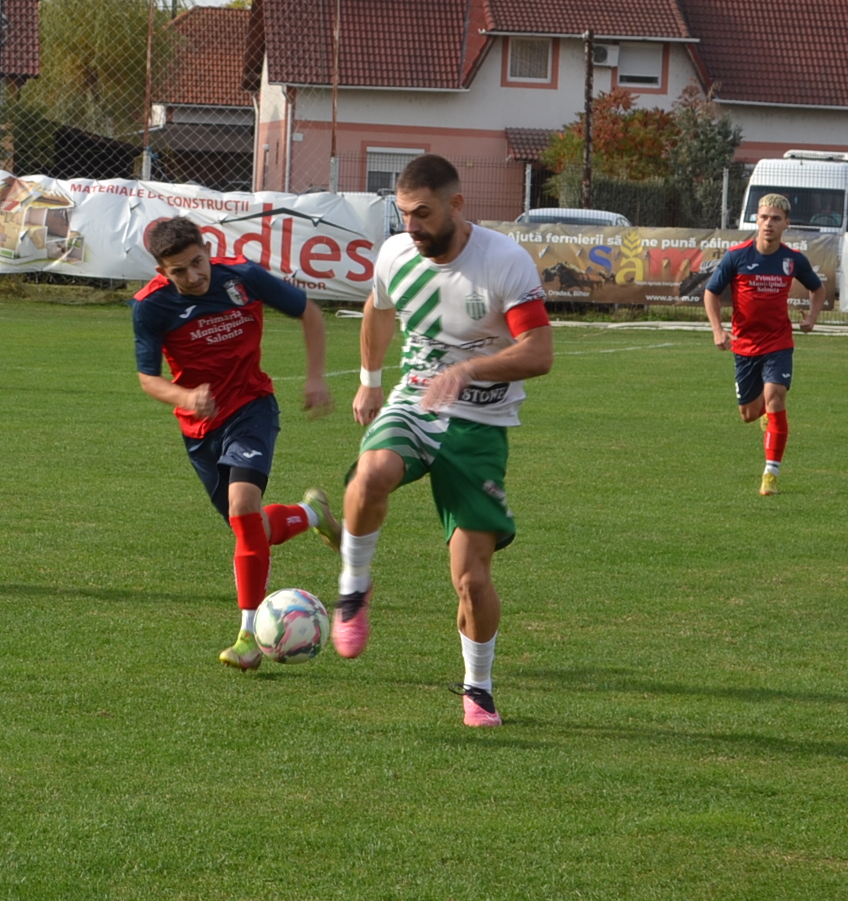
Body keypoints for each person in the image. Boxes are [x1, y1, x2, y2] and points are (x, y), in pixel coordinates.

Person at [332, 154, 553, 727]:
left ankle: (477, 686)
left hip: (480, 423)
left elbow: (539, 353)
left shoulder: (503, 260)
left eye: (423, 214)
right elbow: (378, 311)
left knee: (472, 581)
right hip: (415, 400)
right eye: (403, 214)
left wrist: (471, 371)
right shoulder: (395, 254)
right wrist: (370, 382)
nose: (412, 227)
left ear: (457, 205)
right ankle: (354, 589)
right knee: (370, 475)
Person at [132, 217, 341, 669]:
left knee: (244, 510)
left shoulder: (243, 278)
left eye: (196, 263)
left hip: (252, 408)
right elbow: (148, 379)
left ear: (207, 249)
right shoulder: (150, 307)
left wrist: (316, 376)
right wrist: (184, 396)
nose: (193, 276)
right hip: (199, 427)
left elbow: (309, 311)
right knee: (250, 530)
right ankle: (310, 513)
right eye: (179, 271)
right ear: (161, 272)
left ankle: (248, 638)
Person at [703, 193, 826, 496]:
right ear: (756, 220)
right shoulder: (737, 256)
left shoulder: (792, 259)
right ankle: (766, 420)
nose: (768, 223)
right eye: (763, 217)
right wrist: (718, 330)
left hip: (778, 341)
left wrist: (811, 318)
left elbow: (817, 289)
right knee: (749, 413)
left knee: (775, 398)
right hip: (744, 344)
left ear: (787, 223)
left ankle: (770, 473)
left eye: (775, 218)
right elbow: (711, 293)